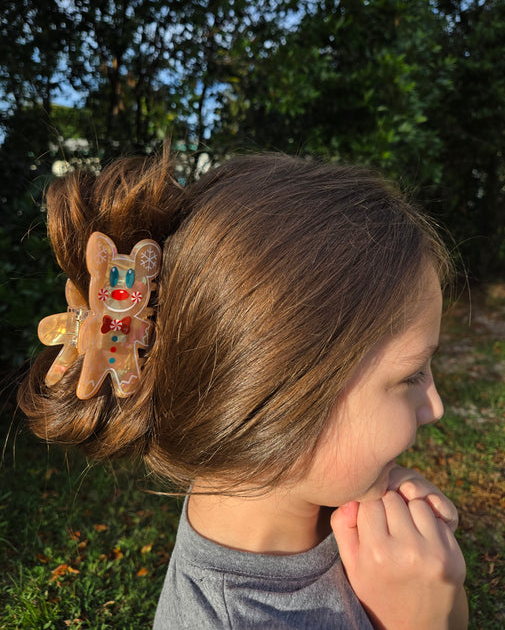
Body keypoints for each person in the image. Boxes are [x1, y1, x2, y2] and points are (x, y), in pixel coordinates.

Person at [19, 152, 468, 629]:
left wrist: (430, 587)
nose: (435, 406)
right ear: (278, 397)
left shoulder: (320, 491)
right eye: (412, 375)